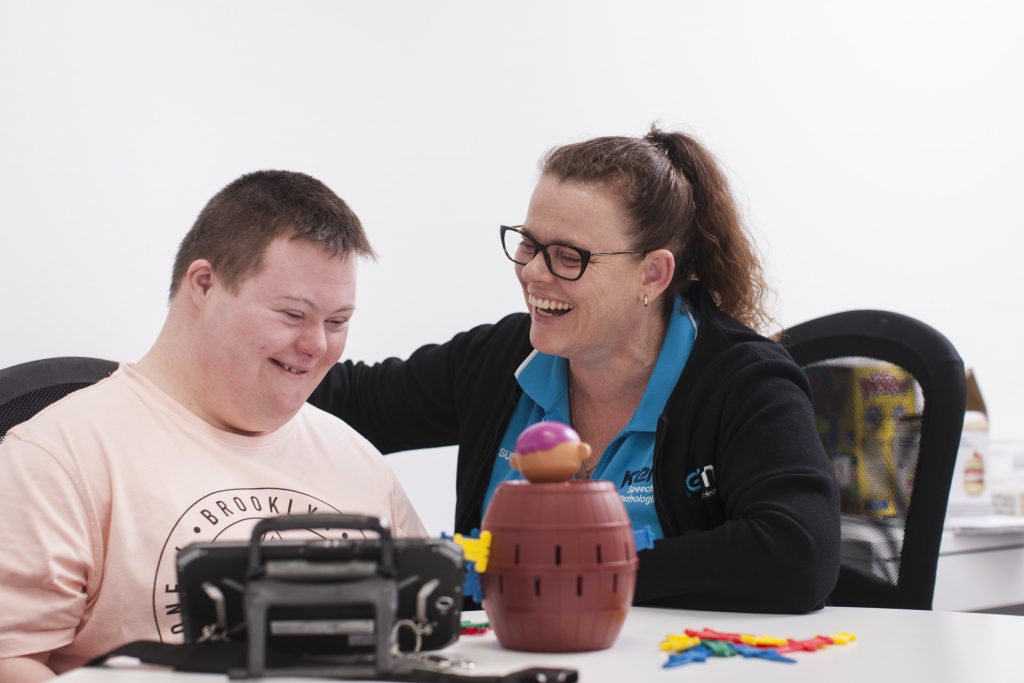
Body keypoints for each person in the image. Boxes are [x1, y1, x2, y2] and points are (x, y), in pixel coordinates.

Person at [309, 127, 841, 614]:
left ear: (652, 275)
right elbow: (346, 402)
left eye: (568, 257)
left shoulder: (741, 380)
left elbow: (797, 554)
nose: (533, 274)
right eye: (528, 244)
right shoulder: (500, 359)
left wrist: (563, 576)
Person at [0, 171, 426, 681]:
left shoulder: (356, 460)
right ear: (204, 284)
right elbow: (10, 658)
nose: (317, 345)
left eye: (337, 322)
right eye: (293, 314)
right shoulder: (58, 457)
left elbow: (419, 635)